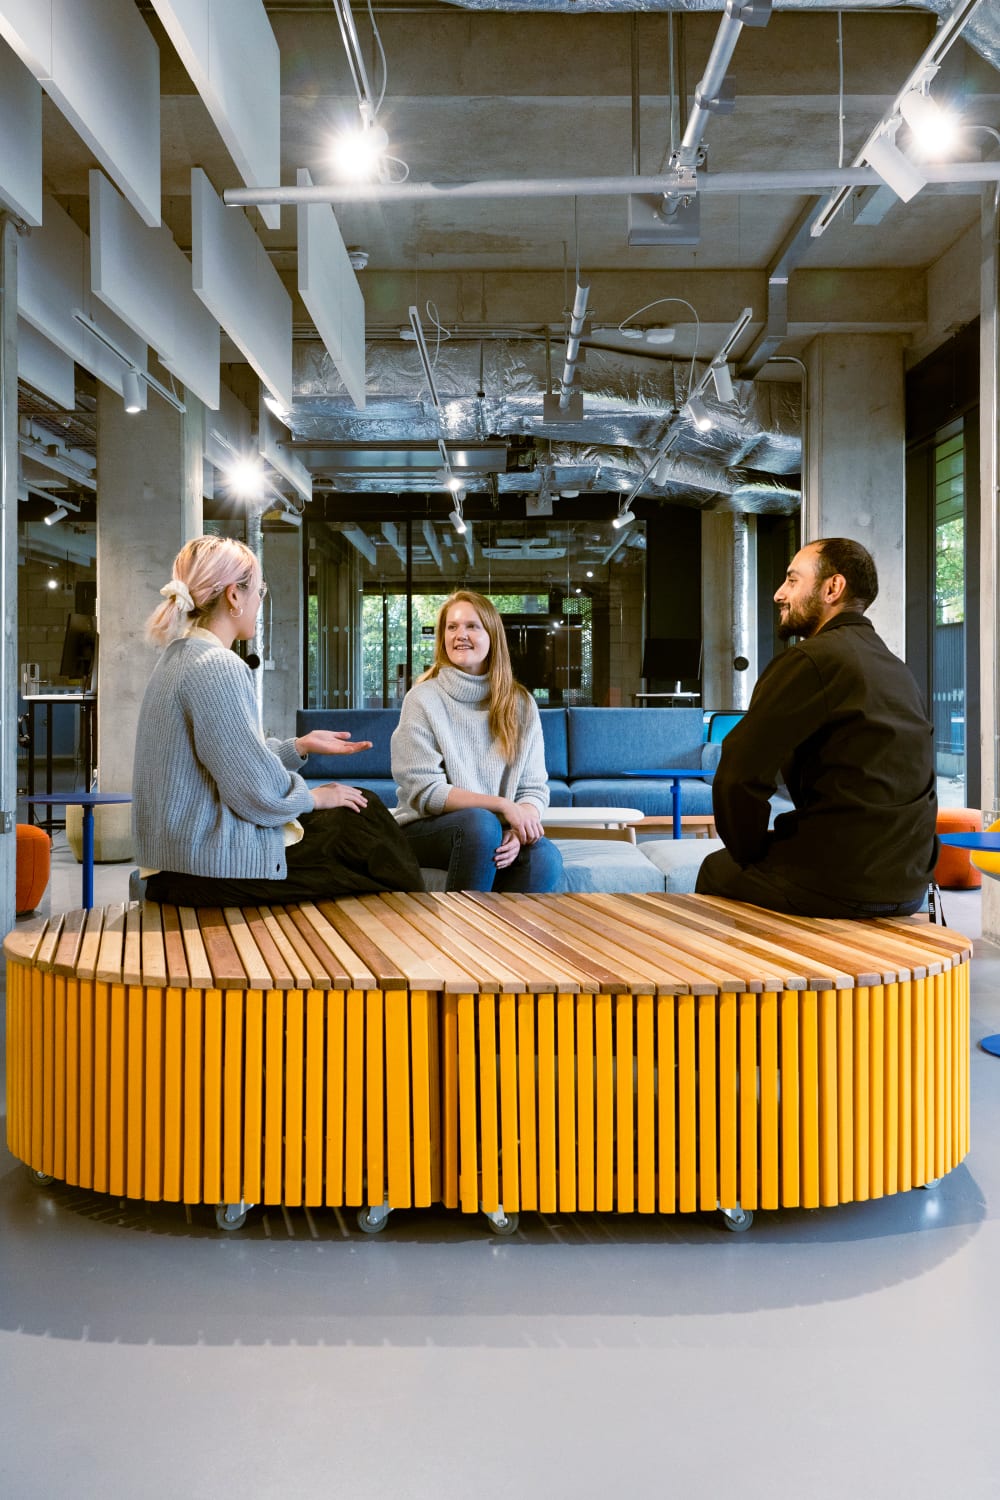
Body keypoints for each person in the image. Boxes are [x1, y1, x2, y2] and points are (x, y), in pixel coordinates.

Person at [133, 535, 423, 906]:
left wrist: (297, 746)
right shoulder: (217, 665)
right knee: (361, 816)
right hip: (206, 869)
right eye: (259, 590)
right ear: (234, 596)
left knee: (353, 818)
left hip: (176, 863)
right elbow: (256, 793)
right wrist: (314, 797)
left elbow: (229, 757)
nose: (259, 601)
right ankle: (420, 929)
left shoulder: (180, 656)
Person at [695, 537, 938, 918]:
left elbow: (738, 774)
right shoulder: (896, 668)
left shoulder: (812, 660)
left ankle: (756, 975)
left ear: (832, 588)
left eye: (792, 580)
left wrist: (749, 854)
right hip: (910, 881)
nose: (778, 594)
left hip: (840, 881)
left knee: (718, 868)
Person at [390, 590, 564, 893]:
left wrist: (518, 829)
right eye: (452, 627)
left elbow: (533, 787)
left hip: (490, 829)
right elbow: (425, 792)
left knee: (544, 856)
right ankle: (463, 938)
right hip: (423, 829)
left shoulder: (520, 703)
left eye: (472, 626)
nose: (461, 635)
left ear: (492, 635)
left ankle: (507, 940)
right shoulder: (422, 699)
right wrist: (502, 807)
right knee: (480, 826)